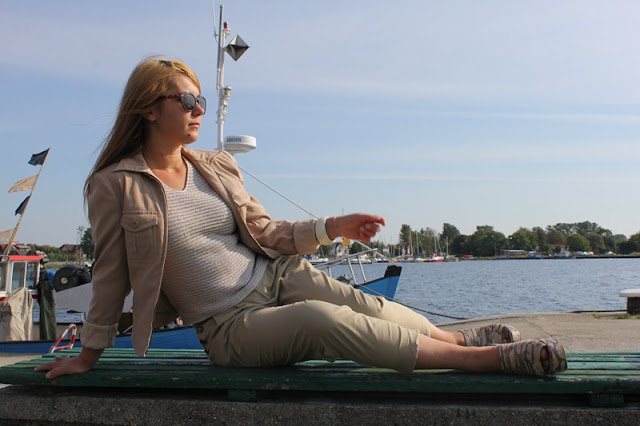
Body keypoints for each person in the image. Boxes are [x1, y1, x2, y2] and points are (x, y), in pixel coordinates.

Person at [35, 57, 567, 379]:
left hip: (276, 274)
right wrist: (88, 354)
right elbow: (111, 275)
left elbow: (265, 233)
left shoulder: (214, 166)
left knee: (364, 304)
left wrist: (333, 227)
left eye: (201, 100)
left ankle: (456, 340)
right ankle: (485, 360)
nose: (199, 109)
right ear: (150, 108)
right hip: (229, 326)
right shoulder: (116, 185)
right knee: (323, 322)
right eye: (188, 98)